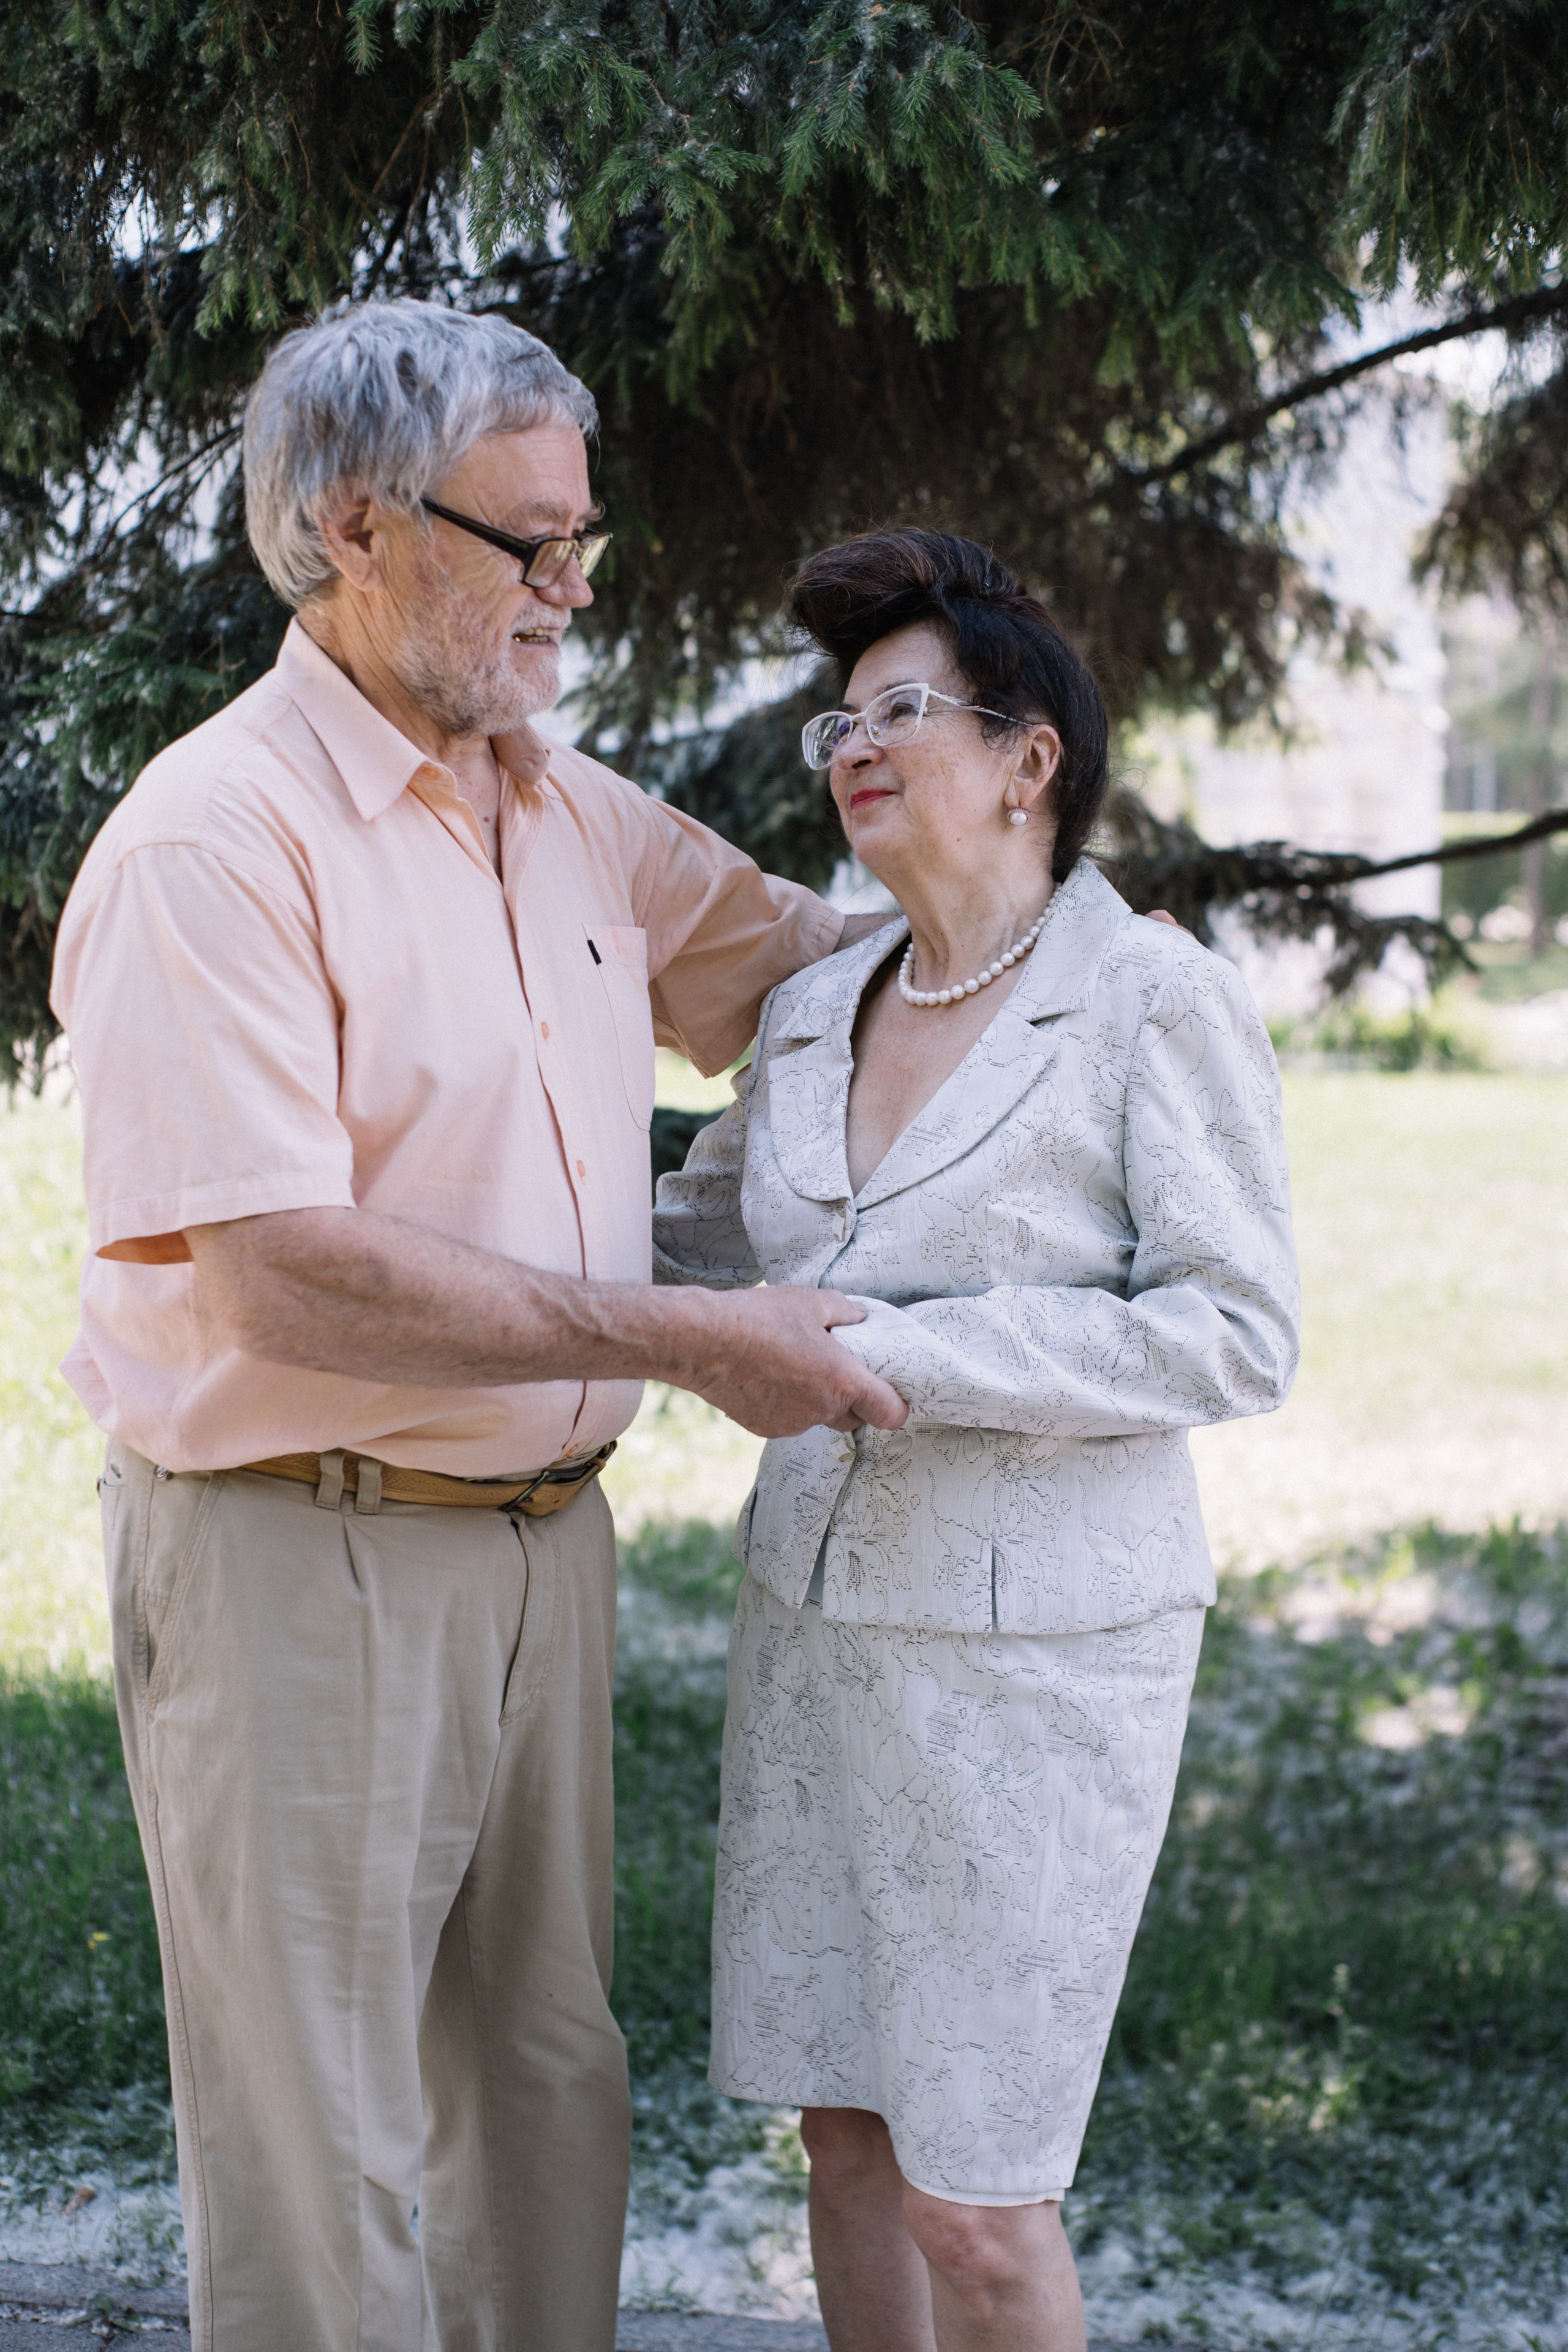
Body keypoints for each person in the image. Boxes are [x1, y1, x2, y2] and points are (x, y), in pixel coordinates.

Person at [48, 300, 906, 2352]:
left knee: (542, 2101)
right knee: (320, 2155)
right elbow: (279, 1263)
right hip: (296, 1543)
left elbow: (820, 979)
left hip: (547, 1547)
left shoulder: (562, 800)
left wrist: (1051, 921)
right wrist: (699, 1339)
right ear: (354, 522)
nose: (577, 586)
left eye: (583, 539)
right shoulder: (214, 839)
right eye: (531, 542)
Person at [652, 529, 1300, 2352]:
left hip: (1041, 1672)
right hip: (816, 1641)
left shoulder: (1152, 996)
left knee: (980, 2202)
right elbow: (686, 1255)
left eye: (906, 708)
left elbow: (1236, 1329)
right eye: (839, 721)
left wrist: (917, 1356)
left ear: (1034, 759)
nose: (856, 744)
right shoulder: (803, 1014)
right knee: (846, 2143)